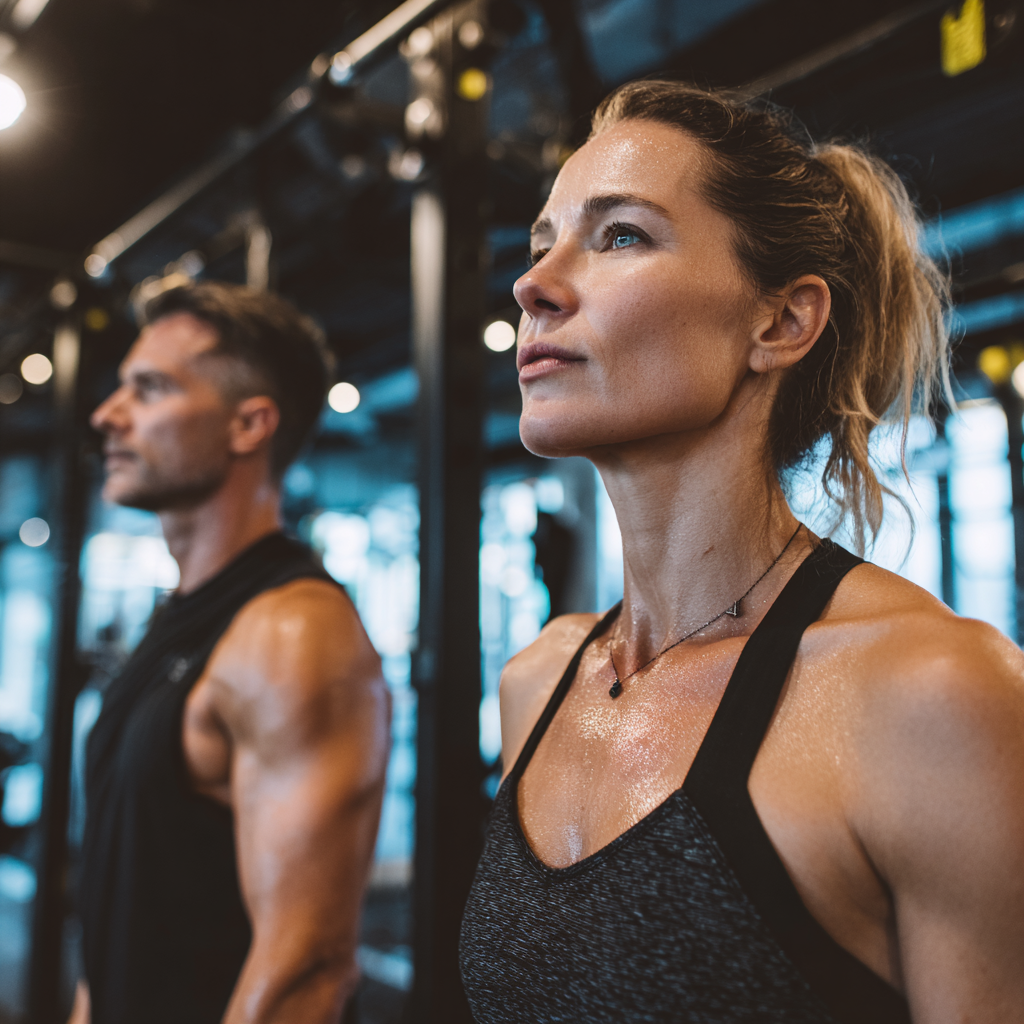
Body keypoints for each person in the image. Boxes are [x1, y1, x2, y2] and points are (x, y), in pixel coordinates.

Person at [460, 81, 1024, 1023]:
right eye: (541, 242)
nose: (534, 283)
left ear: (780, 322)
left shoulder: (933, 697)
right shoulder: (539, 682)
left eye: (622, 235)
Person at [72, 281, 390, 1024]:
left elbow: (303, 970)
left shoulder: (291, 632)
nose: (106, 416)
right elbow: (119, 917)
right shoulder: (178, 622)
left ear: (250, 425)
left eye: (148, 390)